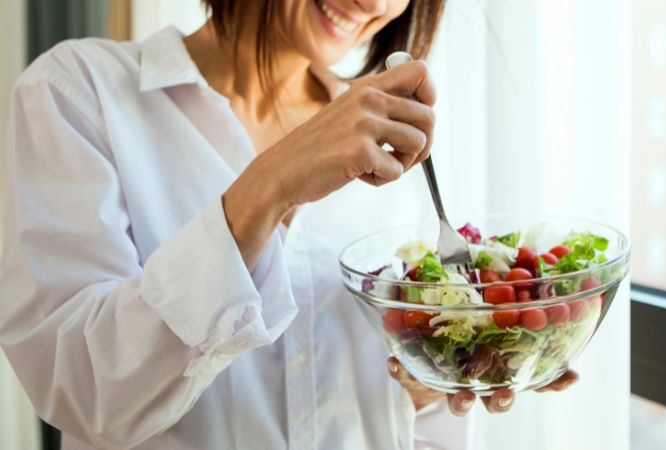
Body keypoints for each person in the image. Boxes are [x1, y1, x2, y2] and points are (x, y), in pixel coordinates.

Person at [0, 1, 576, 449]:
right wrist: (268, 186)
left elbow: (406, 423)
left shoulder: (387, 141)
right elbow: (82, 390)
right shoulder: (79, 92)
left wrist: (434, 383)